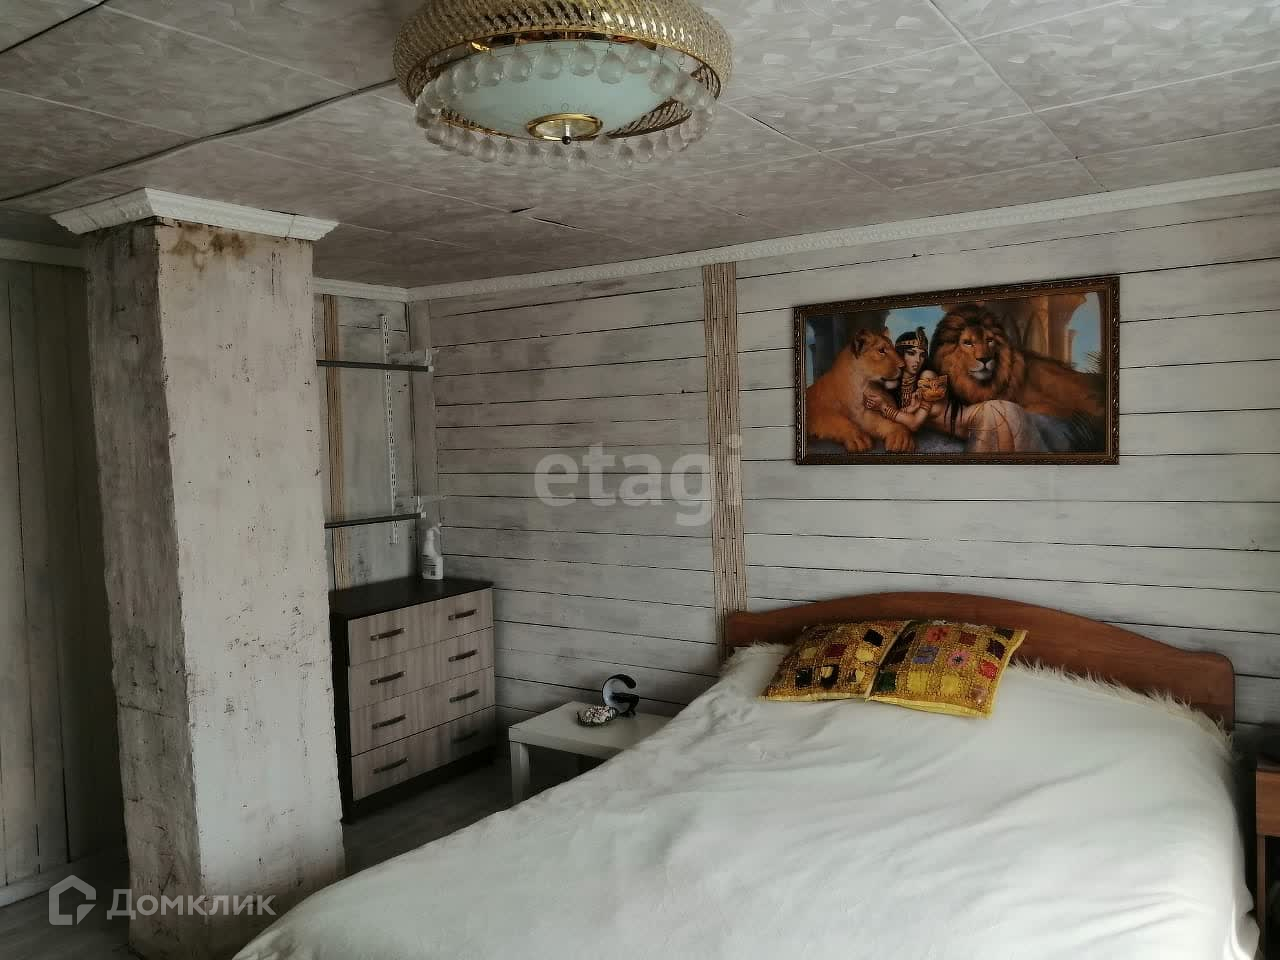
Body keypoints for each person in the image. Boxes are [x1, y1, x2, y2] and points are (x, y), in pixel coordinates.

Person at [864, 368, 1048, 453]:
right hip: (996, 410)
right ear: (920, 386)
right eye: (926, 384)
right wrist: (911, 406)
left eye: (935, 383)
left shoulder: (929, 402)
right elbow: (908, 417)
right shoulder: (924, 403)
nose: (932, 388)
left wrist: (883, 407)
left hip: (987, 414)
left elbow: (913, 424)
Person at [893, 327, 928, 408]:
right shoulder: (887, 383)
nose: (918, 360)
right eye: (911, 353)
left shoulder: (926, 385)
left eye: (922, 355)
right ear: (900, 354)